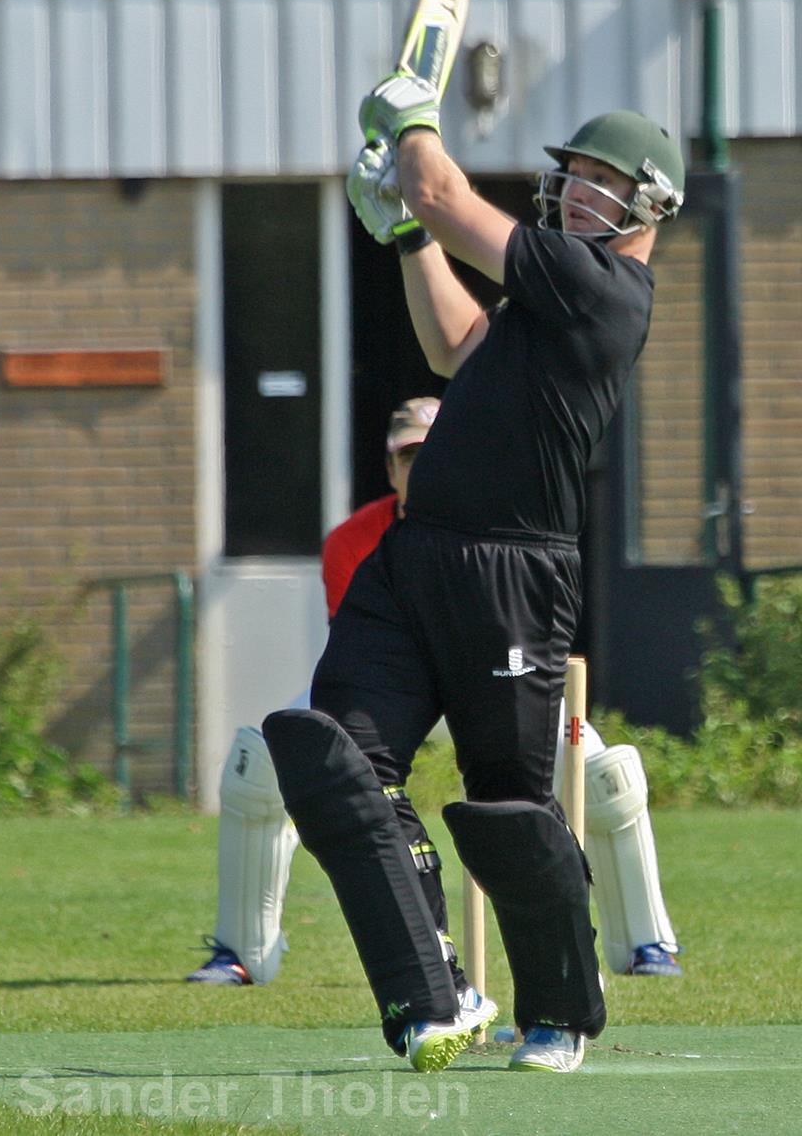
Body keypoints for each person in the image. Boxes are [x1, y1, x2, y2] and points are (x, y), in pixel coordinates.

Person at [263, 78, 685, 1076]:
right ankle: (433, 991)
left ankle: (559, 1014)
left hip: (515, 572)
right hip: (414, 557)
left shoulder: (604, 289)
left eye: (601, 179)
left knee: (507, 808)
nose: (575, 191)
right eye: (571, 174)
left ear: (650, 203)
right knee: (335, 759)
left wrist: (414, 119)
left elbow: (446, 191)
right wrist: (409, 238)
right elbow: (455, 343)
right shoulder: (544, 295)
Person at [189, 400, 682, 990]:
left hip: (491, 681)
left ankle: (646, 943)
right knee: (261, 762)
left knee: (602, 776)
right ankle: (242, 951)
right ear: (391, 469)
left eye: (435, 454)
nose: (422, 469)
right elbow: (361, 651)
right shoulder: (353, 540)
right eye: (409, 457)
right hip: (393, 690)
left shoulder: (503, 525)